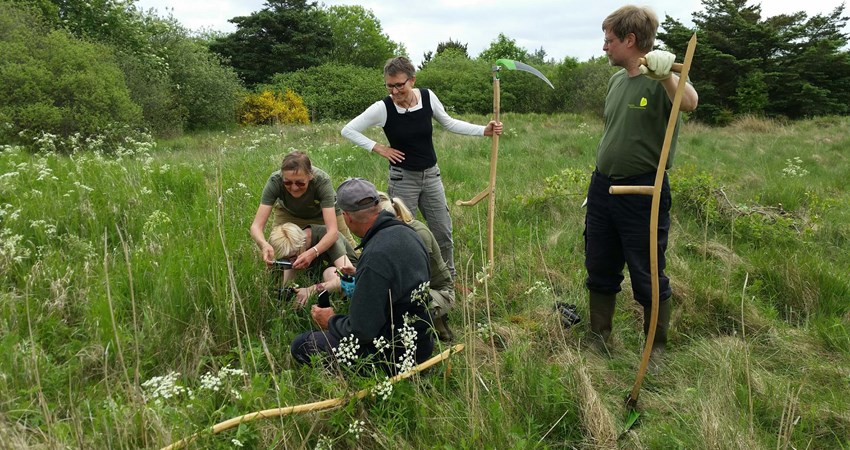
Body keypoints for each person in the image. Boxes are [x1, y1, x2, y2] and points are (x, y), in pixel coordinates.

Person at [584, 5, 698, 365]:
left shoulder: (666, 79)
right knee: (599, 263)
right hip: (603, 188)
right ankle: (599, 337)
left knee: (646, 270)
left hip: (643, 191)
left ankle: (657, 348)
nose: (605, 48)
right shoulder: (617, 81)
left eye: (610, 41)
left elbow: (690, 103)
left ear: (630, 41)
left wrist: (665, 76)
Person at [341, 56, 503, 280]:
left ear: (412, 80)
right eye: (390, 86)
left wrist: (483, 130)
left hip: (431, 175)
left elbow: (448, 122)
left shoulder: (427, 97)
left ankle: (448, 281)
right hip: (402, 179)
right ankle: (412, 282)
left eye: (400, 85)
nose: (395, 91)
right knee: (405, 233)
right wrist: (379, 148)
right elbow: (348, 130)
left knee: (443, 232)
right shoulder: (383, 108)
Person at [290, 178, 434, 374]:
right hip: (423, 345)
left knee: (302, 344)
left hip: (395, 356)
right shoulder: (409, 233)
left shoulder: (375, 254)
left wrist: (331, 320)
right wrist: (362, 275)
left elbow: (362, 331)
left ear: (347, 217)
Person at [250, 151, 357, 270]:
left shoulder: (322, 181)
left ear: (310, 176)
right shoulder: (275, 181)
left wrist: (313, 252)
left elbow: (332, 233)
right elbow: (256, 226)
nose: (294, 188)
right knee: (280, 253)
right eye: (288, 182)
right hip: (289, 212)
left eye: (300, 183)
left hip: (323, 213)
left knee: (350, 254)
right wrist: (264, 244)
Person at [377, 192, 455, 342]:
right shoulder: (396, 231)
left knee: (397, 307)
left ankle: (432, 325)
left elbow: (415, 279)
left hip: (439, 291)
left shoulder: (418, 233)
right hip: (420, 289)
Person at [267, 222, 357, 307]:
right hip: (321, 281)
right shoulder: (291, 248)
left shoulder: (327, 236)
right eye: (286, 259)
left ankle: (341, 308)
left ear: (302, 243)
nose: (291, 262)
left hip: (354, 279)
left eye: (293, 257)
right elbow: (288, 284)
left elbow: (348, 278)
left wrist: (312, 290)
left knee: (329, 273)